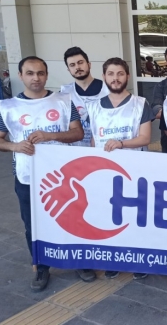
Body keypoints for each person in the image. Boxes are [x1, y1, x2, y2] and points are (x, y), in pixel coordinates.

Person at [0, 56, 84, 291]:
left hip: (62, 176)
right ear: (20, 76)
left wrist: (51, 136)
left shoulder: (63, 100)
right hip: (27, 176)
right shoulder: (8, 107)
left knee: (71, 219)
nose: (36, 78)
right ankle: (41, 266)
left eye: (40, 73)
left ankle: (79, 261)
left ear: (47, 75)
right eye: (30, 73)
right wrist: (15, 146)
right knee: (33, 224)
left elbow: (78, 133)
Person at [87, 57, 154, 280]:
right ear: (104, 77)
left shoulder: (140, 103)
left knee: (134, 216)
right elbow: (93, 141)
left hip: (134, 171)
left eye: (120, 74)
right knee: (108, 216)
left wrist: (121, 143)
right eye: (111, 74)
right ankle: (113, 259)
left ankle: (138, 259)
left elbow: (145, 138)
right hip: (104, 172)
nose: (115, 78)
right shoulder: (94, 107)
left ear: (127, 76)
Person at [60, 46, 110, 282]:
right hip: (76, 159)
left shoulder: (107, 87)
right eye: (72, 65)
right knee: (79, 209)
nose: (77, 67)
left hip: (104, 157)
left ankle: (108, 254)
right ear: (68, 69)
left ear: (89, 64)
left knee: (105, 208)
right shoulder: (64, 93)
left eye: (80, 62)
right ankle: (83, 260)